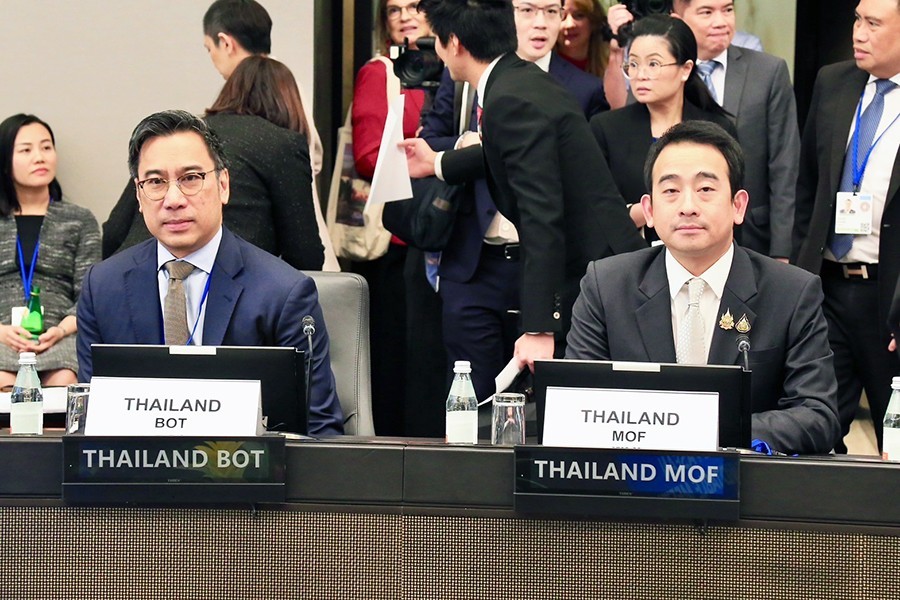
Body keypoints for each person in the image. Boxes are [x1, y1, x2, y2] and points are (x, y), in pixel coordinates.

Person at [567, 120, 840, 455]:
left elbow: (817, 415)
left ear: (738, 206)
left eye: (706, 189)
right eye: (670, 191)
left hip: (744, 479)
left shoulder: (792, 293)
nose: (688, 206)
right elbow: (575, 403)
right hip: (631, 476)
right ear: (649, 210)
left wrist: (704, 430)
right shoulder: (606, 285)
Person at [404, 0, 645, 374]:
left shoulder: (509, 97)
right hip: (600, 262)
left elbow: (540, 213)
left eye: (436, 38)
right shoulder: (518, 79)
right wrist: (437, 162)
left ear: (454, 43)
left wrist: (539, 327)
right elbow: (511, 152)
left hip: (595, 270)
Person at [77, 110, 343, 436]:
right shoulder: (103, 287)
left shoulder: (283, 292)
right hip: (136, 466)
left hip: (244, 466)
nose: (173, 199)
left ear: (223, 185)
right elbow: (90, 423)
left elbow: (319, 431)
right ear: (139, 196)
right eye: (156, 182)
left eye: (190, 178)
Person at [102, 0, 338, 271]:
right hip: (224, 283)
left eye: (208, 48)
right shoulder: (283, 142)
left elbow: (114, 231)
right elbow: (305, 255)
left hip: (131, 275)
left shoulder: (182, 135)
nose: (175, 199)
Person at [793, 0, 900, 453]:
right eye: (857, 19)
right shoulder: (833, 81)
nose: (858, 32)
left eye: (873, 23)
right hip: (827, 289)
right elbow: (807, 186)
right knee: (809, 430)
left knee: (894, 440)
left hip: (889, 298)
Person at [351, 0, 437, 436]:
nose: (405, 16)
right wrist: (432, 158)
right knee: (397, 355)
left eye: (414, 6)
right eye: (393, 9)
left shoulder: (453, 68)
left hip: (446, 232)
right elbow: (367, 155)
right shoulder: (381, 72)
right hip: (398, 237)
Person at [590, 14, 735, 237]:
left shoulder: (717, 129)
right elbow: (596, 210)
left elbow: (728, 205)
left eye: (653, 64)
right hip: (629, 250)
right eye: (633, 64)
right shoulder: (607, 128)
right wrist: (652, 209)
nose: (640, 75)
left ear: (685, 69)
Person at [0, 114, 101, 388]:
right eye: (26, 150)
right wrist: (2, 332)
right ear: (5, 161)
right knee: (3, 381)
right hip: (3, 336)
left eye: (46, 147)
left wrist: (60, 330)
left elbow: (88, 294)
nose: (39, 157)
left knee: (66, 377)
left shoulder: (79, 220)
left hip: (59, 335)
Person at [558, 0, 628, 108]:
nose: (569, 24)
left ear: (593, 22)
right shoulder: (543, 67)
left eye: (579, 15)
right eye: (561, 16)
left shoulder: (611, 66)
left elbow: (617, 111)